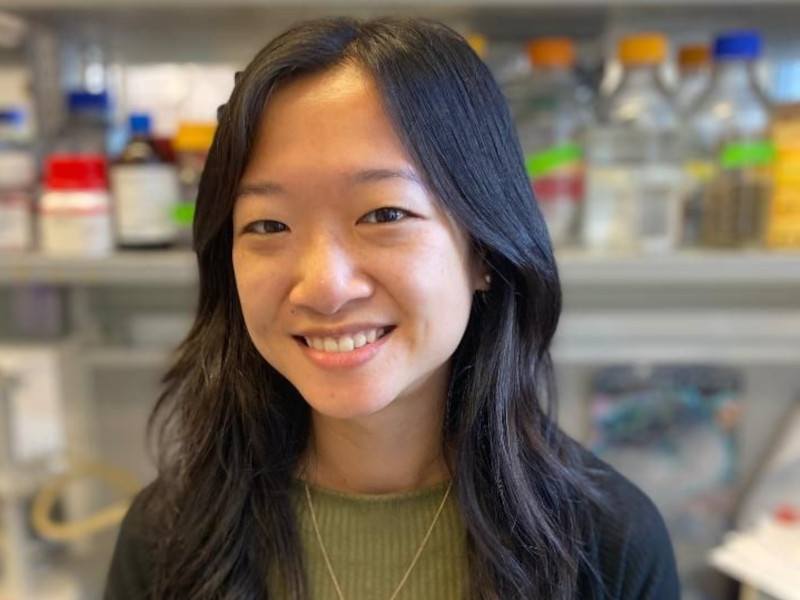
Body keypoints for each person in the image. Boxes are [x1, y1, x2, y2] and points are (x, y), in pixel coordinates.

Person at [104, 17, 679, 600]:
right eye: (269, 225)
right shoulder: (167, 538)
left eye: (384, 215)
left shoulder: (608, 546)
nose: (325, 286)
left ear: (484, 247)